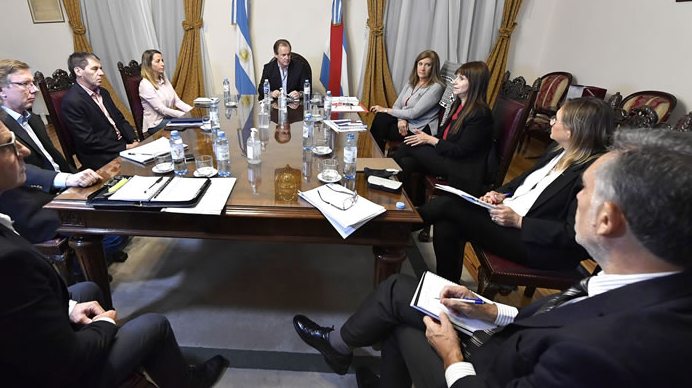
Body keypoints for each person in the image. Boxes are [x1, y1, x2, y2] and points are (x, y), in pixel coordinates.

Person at [294, 128, 692, 388]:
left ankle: (340, 348)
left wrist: (452, 355)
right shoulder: (644, 281)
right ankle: (342, 348)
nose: (578, 197)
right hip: (506, 339)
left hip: (485, 371)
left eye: (584, 190)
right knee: (403, 291)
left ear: (607, 220)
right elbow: (557, 315)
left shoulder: (606, 350)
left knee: (400, 315)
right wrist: (493, 311)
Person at [0, 89, 227, 387]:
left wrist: (67, 310)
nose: (23, 150)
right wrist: (104, 326)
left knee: (86, 290)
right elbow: (65, 366)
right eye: (7, 145)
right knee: (152, 325)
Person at [426, 97, 614, 282]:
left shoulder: (593, 174)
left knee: (448, 205)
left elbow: (573, 235)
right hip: (509, 215)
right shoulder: (558, 149)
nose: (550, 122)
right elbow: (523, 181)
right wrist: (501, 193)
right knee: (447, 223)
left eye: (556, 119)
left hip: (538, 244)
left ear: (571, 131)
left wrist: (519, 221)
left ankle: (410, 223)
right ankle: (446, 289)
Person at [0, 58, 128, 259]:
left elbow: (55, 161)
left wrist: (79, 177)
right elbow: (15, 167)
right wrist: (67, 179)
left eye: (33, 83)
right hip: (30, 205)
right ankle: (82, 268)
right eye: (25, 84)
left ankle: (96, 255)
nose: (34, 90)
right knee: (113, 233)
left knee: (121, 209)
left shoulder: (32, 118)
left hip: (60, 190)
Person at [392, 61, 493, 197]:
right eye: (456, 77)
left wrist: (430, 140)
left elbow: (461, 151)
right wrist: (426, 138)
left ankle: (384, 175)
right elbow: (443, 135)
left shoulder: (480, 114)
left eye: (461, 78)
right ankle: (407, 201)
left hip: (459, 166)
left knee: (409, 144)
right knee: (406, 162)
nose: (454, 82)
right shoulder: (457, 104)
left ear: (475, 83)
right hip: (446, 155)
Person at [61, 52, 140, 170]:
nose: (101, 73)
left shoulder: (103, 92)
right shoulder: (71, 101)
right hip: (101, 155)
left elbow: (120, 119)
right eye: (95, 69)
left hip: (122, 145)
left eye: (101, 68)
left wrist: (134, 140)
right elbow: (88, 140)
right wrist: (125, 147)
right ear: (78, 71)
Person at [369, 50, 445, 151]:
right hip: (407, 121)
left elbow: (414, 113)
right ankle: (376, 155)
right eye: (420, 64)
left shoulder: (436, 87)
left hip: (419, 128)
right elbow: (397, 105)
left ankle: (374, 155)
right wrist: (401, 120)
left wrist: (385, 110)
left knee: (380, 126)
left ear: (433, 68)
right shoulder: (412, 82)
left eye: (428, 65)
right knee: (381, 118)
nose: (422, 68)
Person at [139, 49, 192, 135]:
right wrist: (183, 115)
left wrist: (191, 111)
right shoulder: (145, 85)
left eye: (162, 60)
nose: (162, 64)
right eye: (158, 61)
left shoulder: (164, 80)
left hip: (168, 118)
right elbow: (162, 109)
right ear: (148, 65)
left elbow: (177, 101)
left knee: (191, 124)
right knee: (187, 126)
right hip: (155, 124)